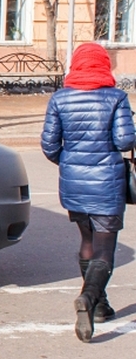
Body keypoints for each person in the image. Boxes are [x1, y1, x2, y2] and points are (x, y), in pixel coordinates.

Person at [41, 42, 135, 342]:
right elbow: (124, 141)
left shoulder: (60, 99)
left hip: (74, 182)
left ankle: (100, 306)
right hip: (107, 183)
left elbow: (49, 145)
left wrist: (69, 162)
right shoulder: (116, 98)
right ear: (103, 65)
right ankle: (88, 299)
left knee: (87, 241)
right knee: (105, 250)